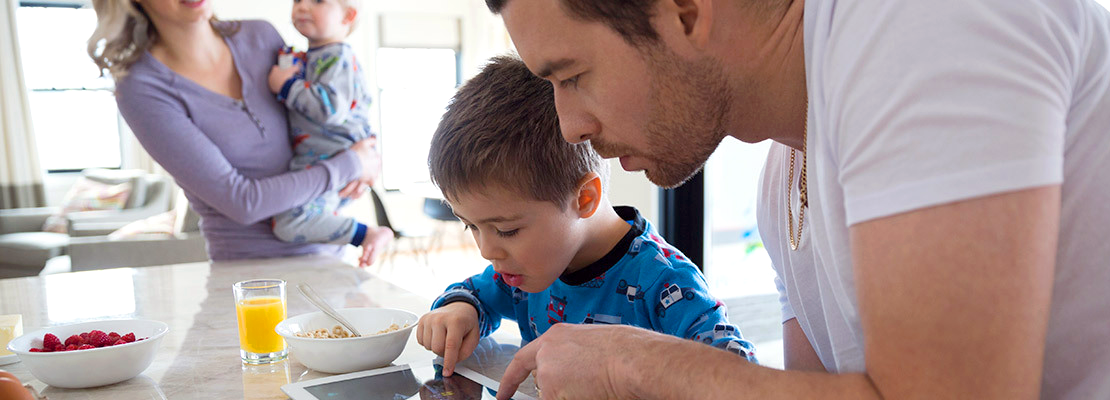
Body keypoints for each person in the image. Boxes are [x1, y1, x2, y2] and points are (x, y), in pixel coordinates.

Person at [486, 0, 1110, 399]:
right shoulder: (781, 183)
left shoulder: (926, 21)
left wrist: (634, 367)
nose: (569, 126)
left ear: (683, 9)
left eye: (571, 76)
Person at [416, 55, 757, 378]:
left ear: (585, 198)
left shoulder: (664, 283)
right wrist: (458, 310)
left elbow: (738, 369)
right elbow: (474, 294)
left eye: (506, 230)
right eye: (471, 226)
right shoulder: (527, 273)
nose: (487, 250)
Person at [87, 0, 382, 262]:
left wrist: (369, 152)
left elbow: (330, 107)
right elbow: (244, 203)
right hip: (249, 278)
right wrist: (352, 163)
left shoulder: (260, 37)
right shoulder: (141, 88)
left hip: (329, 259)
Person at [265, 0, 393, 267]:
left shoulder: (338, 56)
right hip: (324, 153)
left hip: (332, 152)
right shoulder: (317, 55)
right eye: (297, 0)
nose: (302, 7)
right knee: (306, 216)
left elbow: (330, 109)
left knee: (289, 222)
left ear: (349, 15)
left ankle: (367, 234)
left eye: (318, 1)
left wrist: (287, 85)